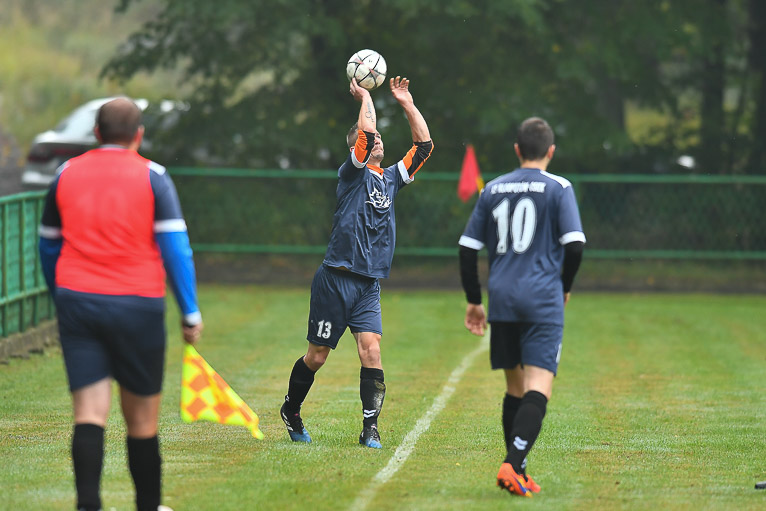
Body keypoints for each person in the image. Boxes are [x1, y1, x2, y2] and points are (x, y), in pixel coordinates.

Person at [38, 97, 203, 511]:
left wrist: (61, 297)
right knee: (142, 420)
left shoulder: (65, 173)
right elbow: (176, 249)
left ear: (96, 133)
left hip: (78, 302)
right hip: (137, 304)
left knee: (88, 413)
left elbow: (48, 246)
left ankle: (87, 505)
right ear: (138, 135)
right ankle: (147, 505)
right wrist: (189, 312)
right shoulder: (154, 176)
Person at [279, 76, 433, 449]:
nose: (378, 140)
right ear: (356, 150)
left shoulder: (392, 178)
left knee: (372, 350)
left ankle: (370, 428)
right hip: (335, 279)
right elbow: (365, 135)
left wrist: (407, 103)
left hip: (368, 284)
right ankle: (291, 409)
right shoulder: (352, 174)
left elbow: (424, 147)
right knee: (317, 356)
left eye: (380, 139)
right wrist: (365, 95)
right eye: (371, 139)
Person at [458, 117, 585, 497]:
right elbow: (575, 245)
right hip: (541, 299)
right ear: (551, 151)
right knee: (538, 388)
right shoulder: (559, 187)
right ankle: (512, 464)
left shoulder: (493, 188)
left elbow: (467, 248)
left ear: (517, 150)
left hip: (502, 298)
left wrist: (474, 300)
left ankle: (520, 471)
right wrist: (564, 286)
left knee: (515, 389)